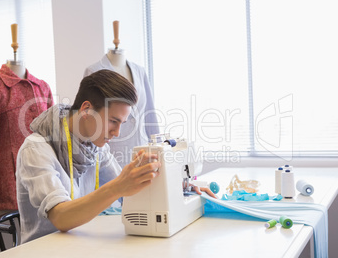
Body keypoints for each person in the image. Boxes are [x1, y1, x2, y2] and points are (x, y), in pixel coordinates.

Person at [16, 69, 214, 244]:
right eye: (113, 121)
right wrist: (118, 186)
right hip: (43, 252)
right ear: (86, 110)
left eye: (122, 123)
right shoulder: (36, 149)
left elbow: (129, 191)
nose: (117, 133)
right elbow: (60, 217)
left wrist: (178, 189)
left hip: (79, 246)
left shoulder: (94, 146)